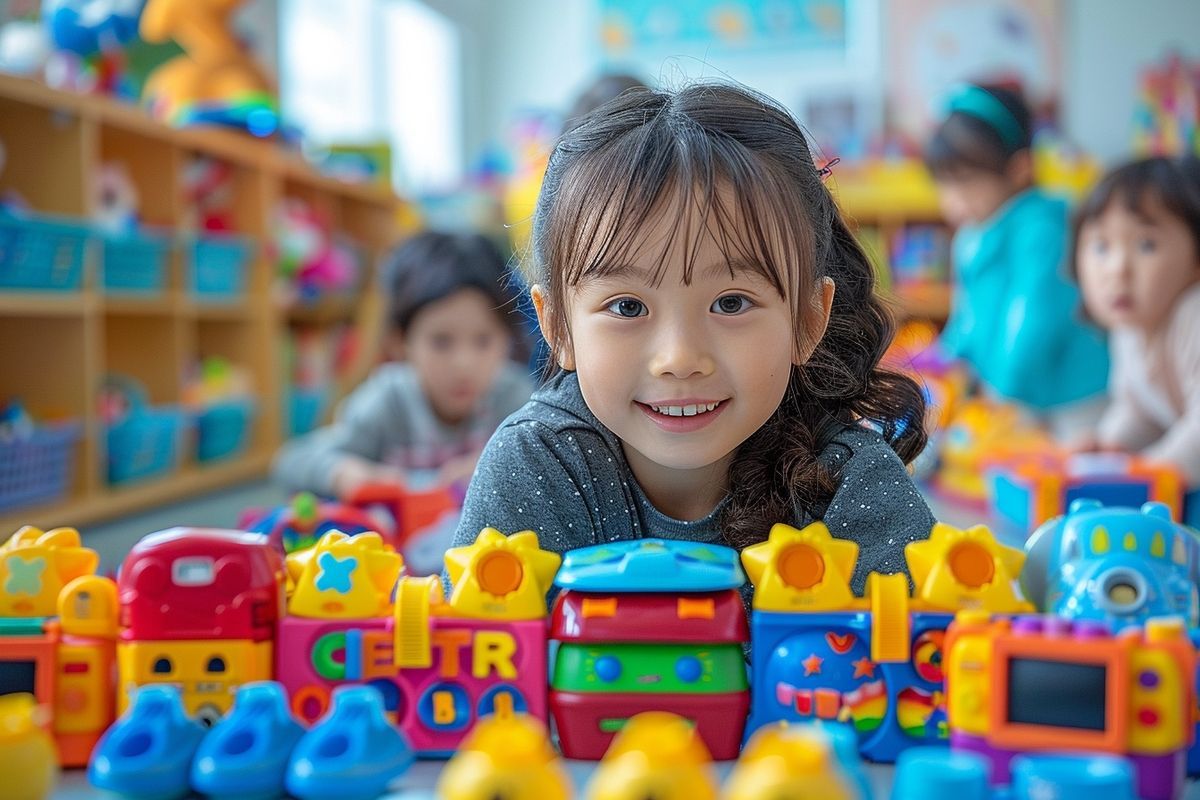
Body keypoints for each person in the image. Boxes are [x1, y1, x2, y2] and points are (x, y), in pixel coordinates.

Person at [450, 82, 935, 594]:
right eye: (628, 307)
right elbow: (479, 658)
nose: (679, 359)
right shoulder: (536, 468)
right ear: (557, 327)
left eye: (731, 303)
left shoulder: (846, 482)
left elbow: (926, 659)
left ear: (809, 319)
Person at [273, 231, 534, 498]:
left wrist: (499, 466)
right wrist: (346, 473)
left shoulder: (514, 398)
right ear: (401, 341)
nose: (463, 364)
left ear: (508, 338)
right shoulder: (388, 399)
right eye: (441, 341)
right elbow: (293, 460)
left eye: (483, 341)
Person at [926, 82, 1109, 440]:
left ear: (1019, 169)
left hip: (1071, 400)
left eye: (965, 184)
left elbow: (1032, 319)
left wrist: (1004, 395)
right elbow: (967, 317)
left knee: (1063, 484)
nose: (952, 202)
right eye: (944, 185)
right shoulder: (972, 233)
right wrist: (942, 362)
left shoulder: (1044, 228)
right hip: (1013, 396)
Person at [1072, 156, 1200, 485]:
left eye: (1146, 245)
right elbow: (1140, 408)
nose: (1117, 269)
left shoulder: (1192, 314)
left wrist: (1146, 474)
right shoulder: (1130, 328)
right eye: (1101, 247)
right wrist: (1109, 446)